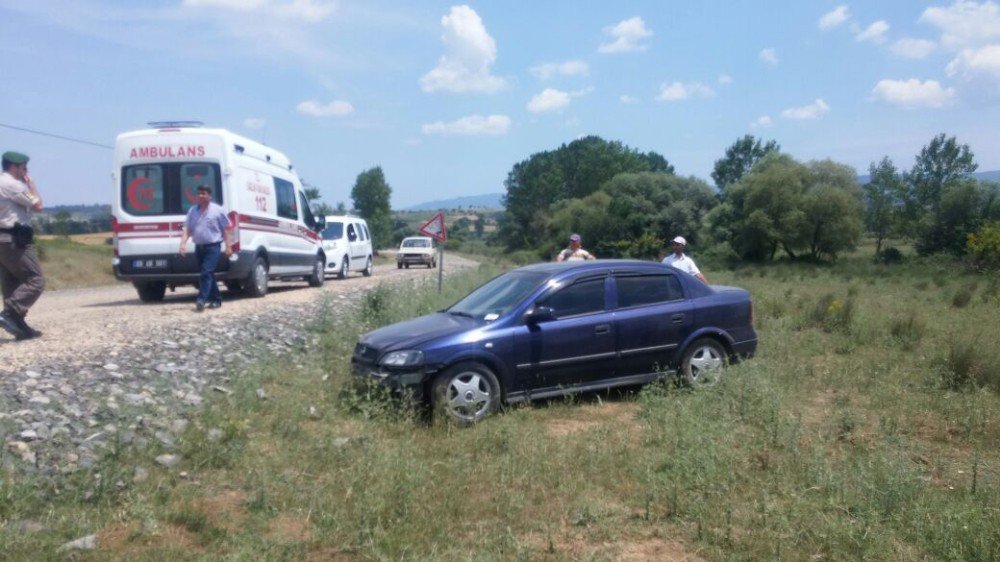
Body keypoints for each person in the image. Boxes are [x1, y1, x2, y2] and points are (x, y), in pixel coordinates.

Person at [0, 151, 45, 340]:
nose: (25, 171)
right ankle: (9, 314)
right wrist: (31, 184)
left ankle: (19, 326)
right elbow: (38, 205)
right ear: (13, 166)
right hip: (15, 240)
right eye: (23, 168)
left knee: (13, 282)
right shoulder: (12, 184)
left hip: (3, 239)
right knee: (36, 280)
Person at [179, 185, 233, 311]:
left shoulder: (218, 210)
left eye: (203, 193)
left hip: (213, 247)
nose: (200, 196)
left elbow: (226, 230)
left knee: (206, 272)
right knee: (208, 274)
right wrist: (182, 244)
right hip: (199, 247)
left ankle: (201, 299)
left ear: (210, 196)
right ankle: (216, 299)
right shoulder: (193, 211)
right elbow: (187, 229)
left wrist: (228, 246)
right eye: (198, 193)